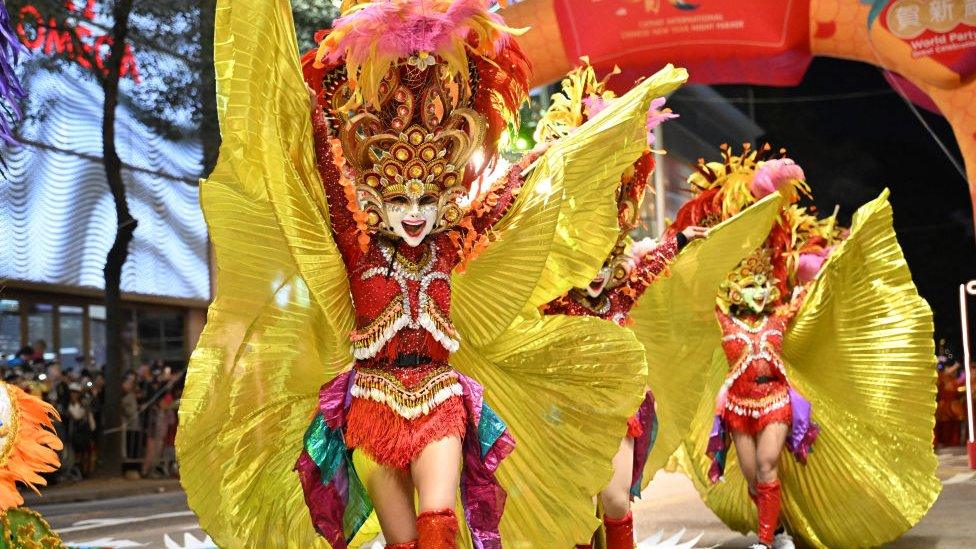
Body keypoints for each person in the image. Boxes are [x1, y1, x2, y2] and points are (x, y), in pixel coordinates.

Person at [176, 1, 676, 547]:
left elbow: (515, 194)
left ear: (441, 197)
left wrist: (576, 144)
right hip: (370, 403)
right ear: (376, 199)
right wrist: (307, 103)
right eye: (398, 199)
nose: (413, 212)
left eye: (423, 198)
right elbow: (319, 151)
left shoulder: (451, 243)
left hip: (440, 397)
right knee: (403, 542)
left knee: (438, 521)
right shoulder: (357, 246)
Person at [668, 144, 942, 549]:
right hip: (737, 407)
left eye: (764, 285)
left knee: (766, 465)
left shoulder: (780, 318)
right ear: (736, 288)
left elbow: (814, 300)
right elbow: (691, 292)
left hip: (776, 399)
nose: (759, 291)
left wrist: (839, 262)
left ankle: (767, 541)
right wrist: (686, 250)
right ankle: (775, 527)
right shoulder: (724, 321)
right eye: (750, 284)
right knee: (749, 472)